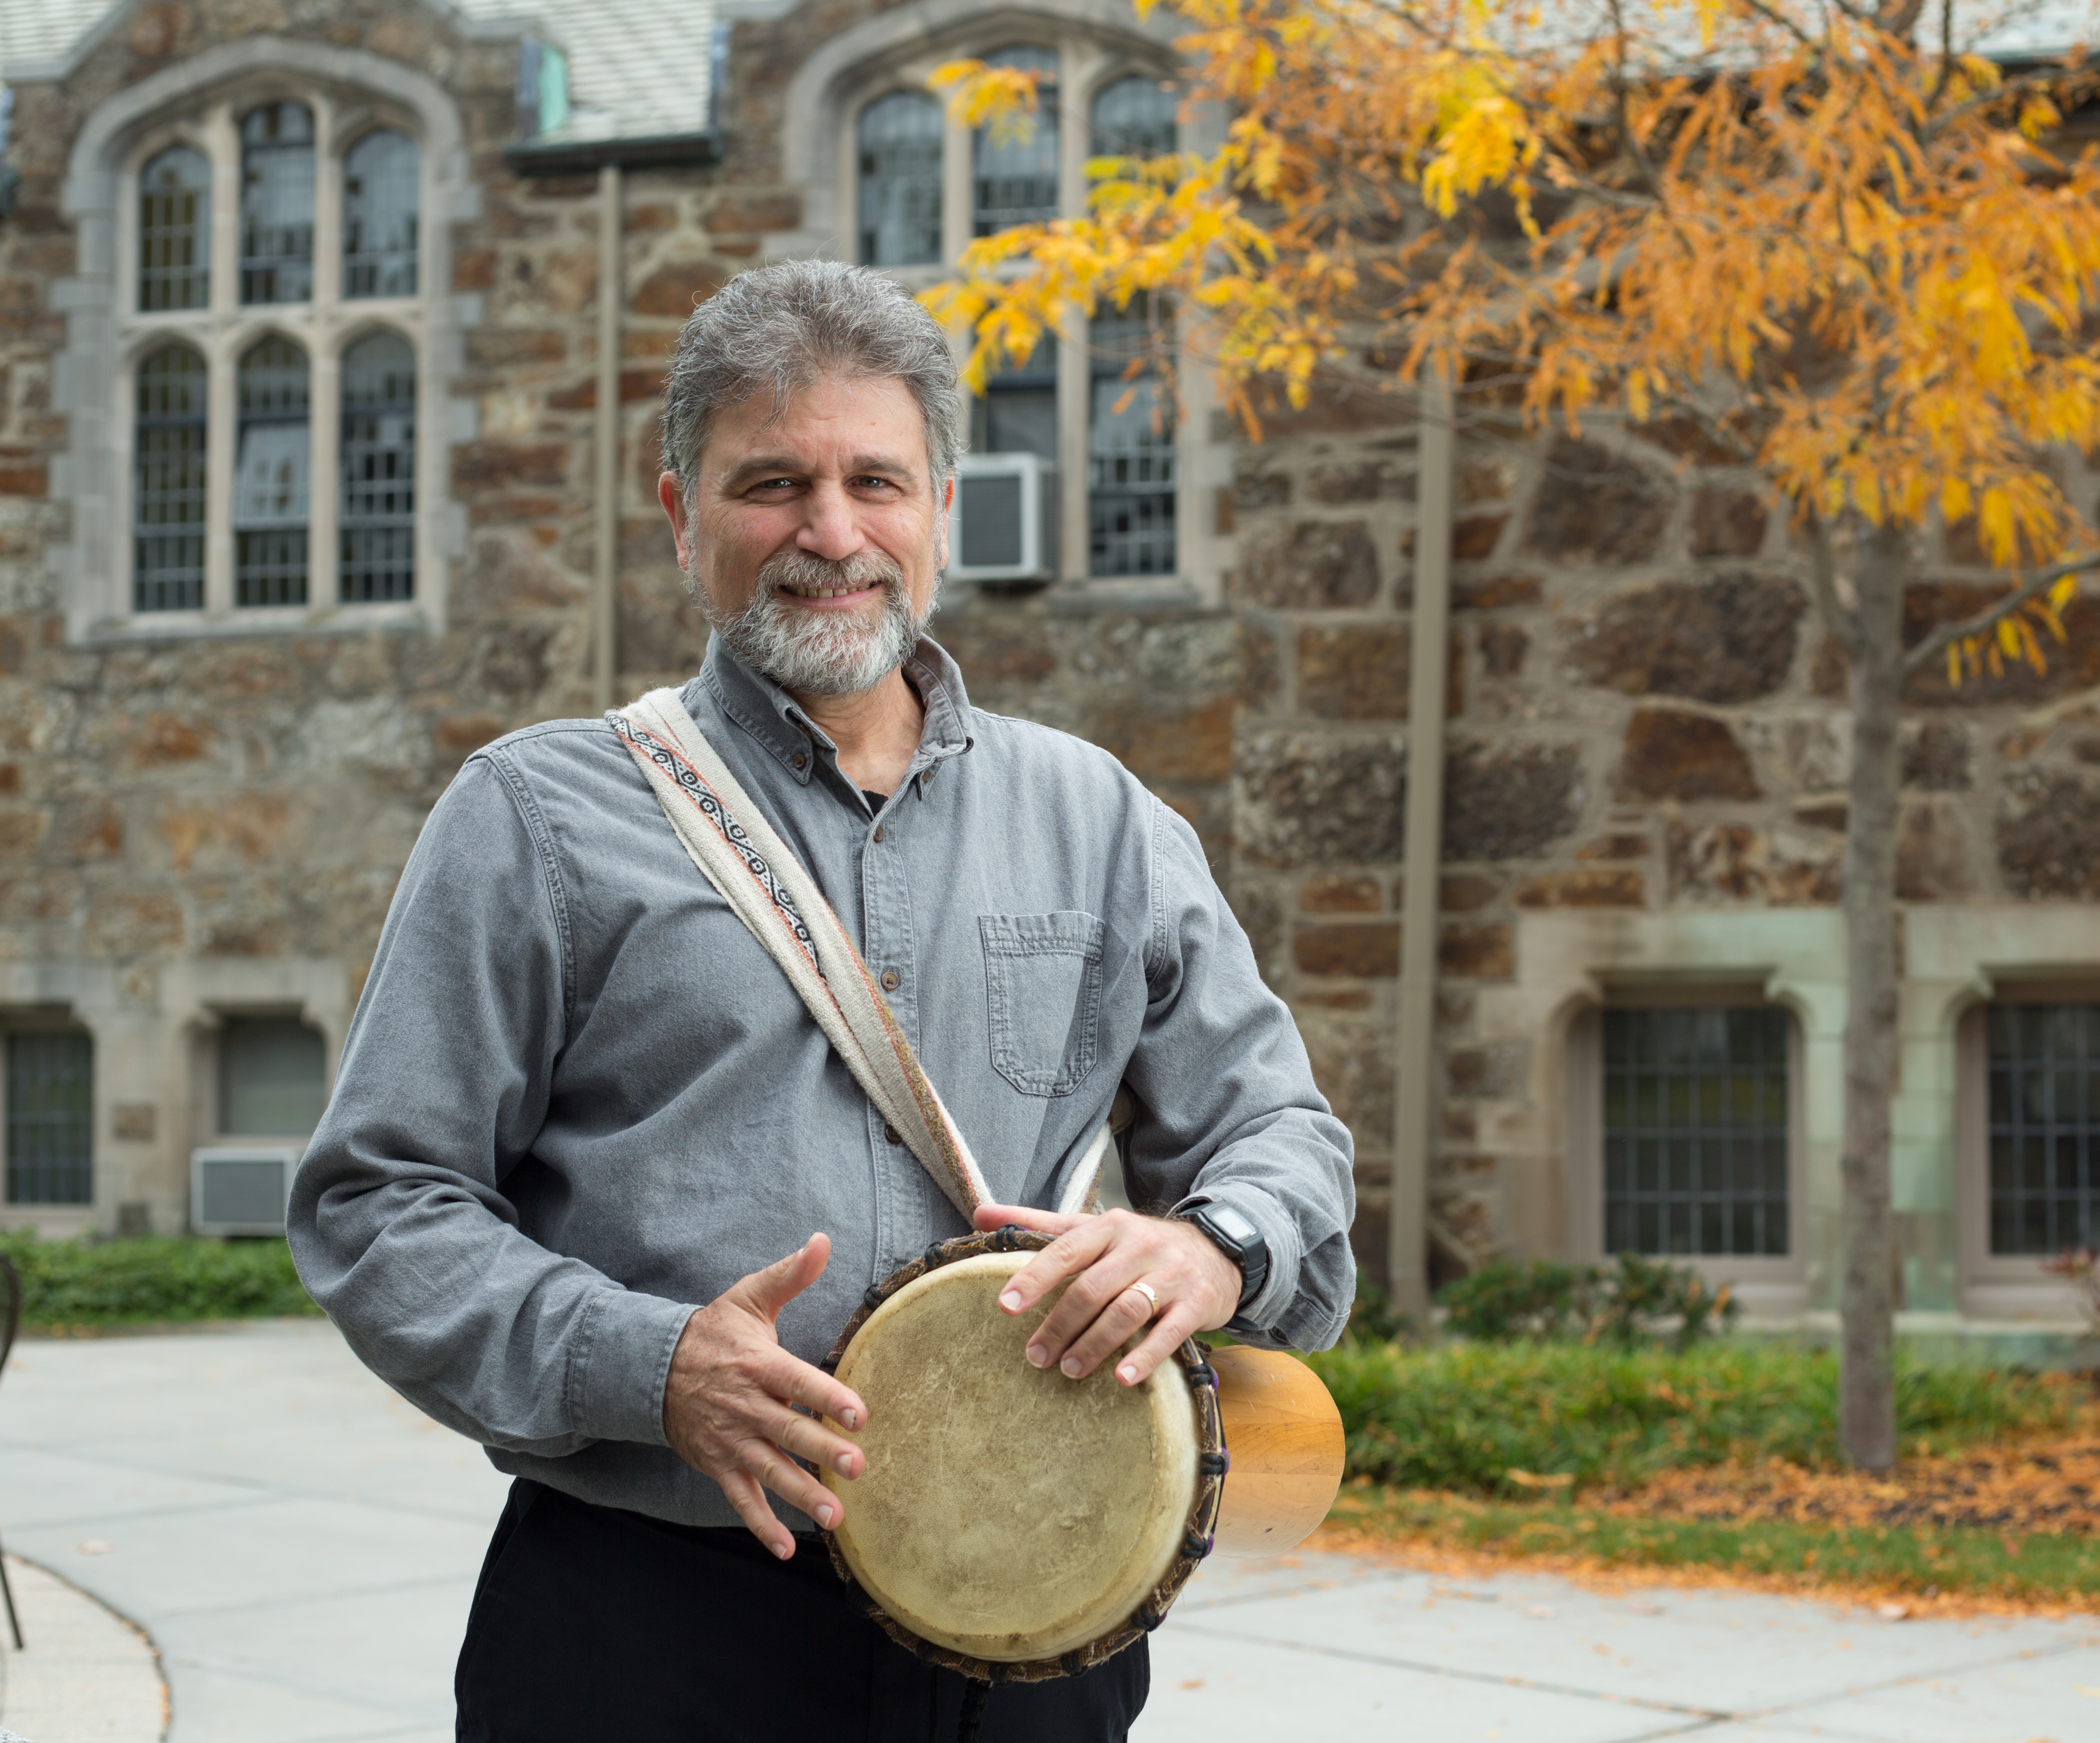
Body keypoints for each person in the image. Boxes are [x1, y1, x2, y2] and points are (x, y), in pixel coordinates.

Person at [289, 259, 1356, 1742]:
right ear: (681, 515)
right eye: (771, 483)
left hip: (1036, 1626)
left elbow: (1282, 1138)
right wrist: (648, 1367)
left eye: (877, 481)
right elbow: (377, 1205)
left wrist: (1213, 1248)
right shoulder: (532, 816)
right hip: (647, 1625)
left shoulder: (1101, 817)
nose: (832, 533)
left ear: (941, 507)